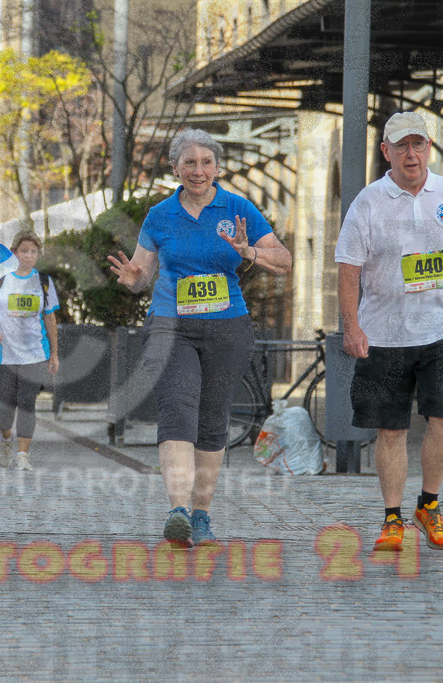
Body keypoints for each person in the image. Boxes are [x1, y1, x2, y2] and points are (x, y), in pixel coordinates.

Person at [108, 128, 292, 547]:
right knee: (176, 410)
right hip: (170, 325)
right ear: (174, 169)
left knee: (212, 420)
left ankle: (202, 515)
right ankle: (178, 511)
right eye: (189, 163)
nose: (198, 170)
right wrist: (134, 280)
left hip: (227, 327)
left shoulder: (238, 209)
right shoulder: (160, 215)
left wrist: (249, 252)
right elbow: (141, 274)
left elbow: (283, 259)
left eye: (206, 162)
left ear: (217, 168)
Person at [335, 111, 443, 552]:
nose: (411, 154)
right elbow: (348, 270)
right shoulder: (369, 202)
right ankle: (393, 518)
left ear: (429, 148)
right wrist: (352, 327)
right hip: (384, 333)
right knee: (391, 430)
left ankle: (429, 505)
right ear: (386, 152)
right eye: (402, 146)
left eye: (419, 144)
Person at [0, 230, 60, 472]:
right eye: (24, 251)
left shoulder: (43, 281)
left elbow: (50, 318)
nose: (29, 255)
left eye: (33, 251)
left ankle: (23, 455)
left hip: (35, 354)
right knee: (4, 411)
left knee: (27, 404)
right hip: (4, 354)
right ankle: (6, 440)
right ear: (14, 252)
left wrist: (54, 354)